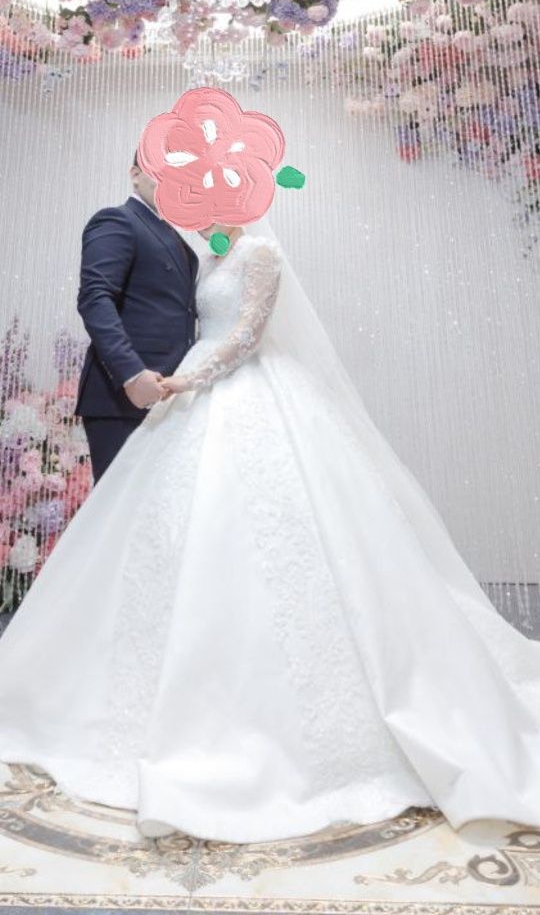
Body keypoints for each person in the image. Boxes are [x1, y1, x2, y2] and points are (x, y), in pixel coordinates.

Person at [0, 216, 540, 845]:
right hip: (191, 389)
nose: (211, 206)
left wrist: (191, 379)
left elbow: (247, 336)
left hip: (239, 387)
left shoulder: (260, 252)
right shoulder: (207, 254)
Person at [74, 153, 198, 481]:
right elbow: (95, 298)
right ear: (134, 174)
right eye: (159, 171)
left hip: (168, 394)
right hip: (123, 398)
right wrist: (131, 375)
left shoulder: (173, 235)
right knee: (119, 507)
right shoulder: (117, 220)